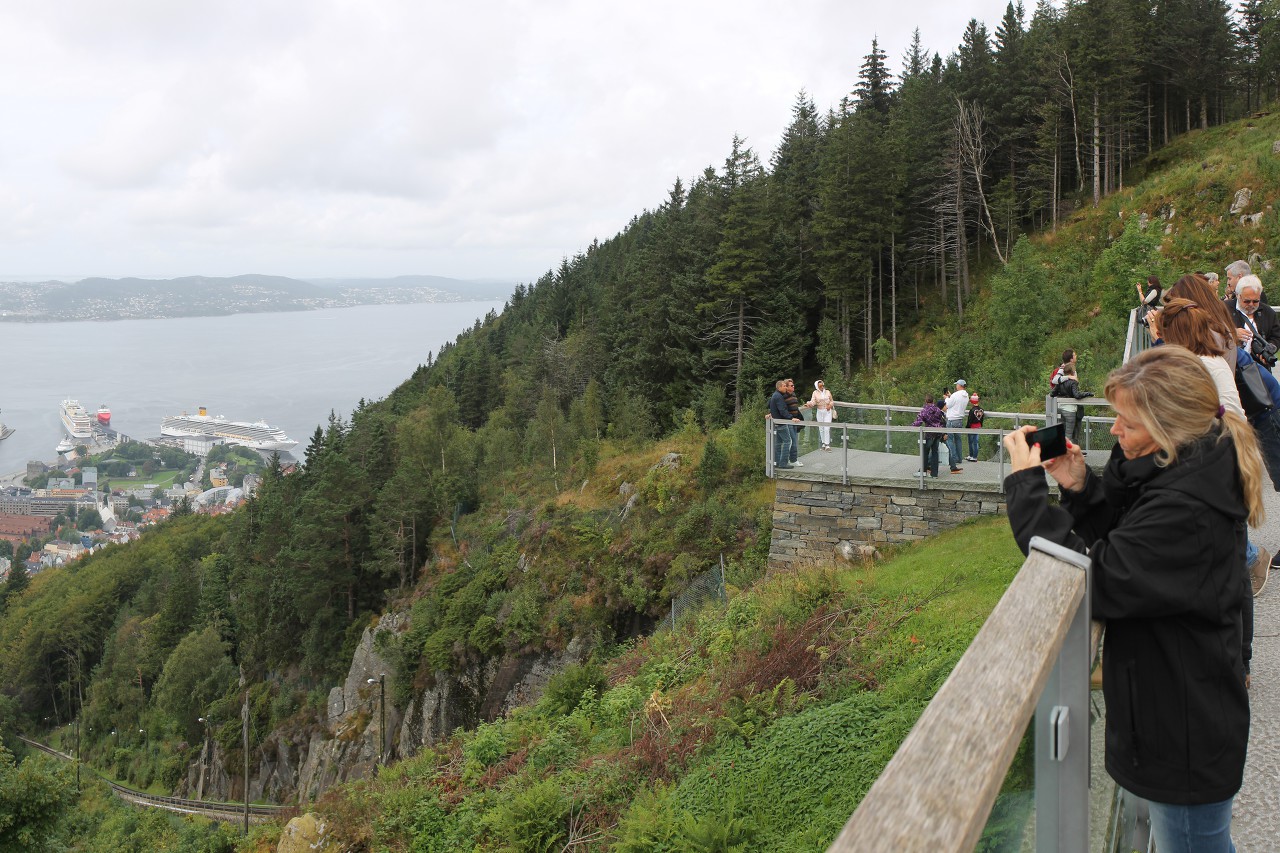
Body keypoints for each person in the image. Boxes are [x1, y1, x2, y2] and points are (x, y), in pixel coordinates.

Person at [1004, 345, 1260, 852]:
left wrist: (1024, 487)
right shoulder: (1190, 468)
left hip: (1184, 728)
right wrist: (1080, 487)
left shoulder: (1186, 509)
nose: (1115, 432)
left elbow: (1089, 578)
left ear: (1168, 430)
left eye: (1128, 423)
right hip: (1183, 708)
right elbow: (1130, 549)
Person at [1230, 276, 1280, 368]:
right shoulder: (1223, 309)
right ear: (1238, 295)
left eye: (1256, 301)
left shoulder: (1268, 312)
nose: (1251, 305)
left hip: (1259, 369)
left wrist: (1268, 349)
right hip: (1232, 368)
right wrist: (1231, 333)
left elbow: (1276, 336)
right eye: (1247, 301)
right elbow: (1210, 331)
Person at [1053, 364, 1091, 445]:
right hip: (1070, 410)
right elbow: (1076, 395)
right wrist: (1087, 394)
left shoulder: (1060, 382)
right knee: (1069, 434)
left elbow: (1052, 393)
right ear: (1072, 372)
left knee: (1061, 432)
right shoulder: (1073, 382)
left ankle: (1060, 452)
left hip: (1060, 409)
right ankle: (1069, 454)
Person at [767, 380, 799, 469]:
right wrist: (791, 418)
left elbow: (769, 404)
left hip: (776, 422)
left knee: (778, 443)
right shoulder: (778, 396)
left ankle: (777, 462)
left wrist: (771, 413)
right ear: (779, 387)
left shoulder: (775, 395)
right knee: (788, 441)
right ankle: (783, 463)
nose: (786, 387)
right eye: (784, 386)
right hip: (781, 423)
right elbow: (782, 410)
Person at [912, 393, 946, 477]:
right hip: (938, 433)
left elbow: (919, 422)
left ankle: (923, 472)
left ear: (925, 401)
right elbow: (942, 421)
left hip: (929, 434)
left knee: (925, 452)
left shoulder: (924, 411)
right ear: (933, 400)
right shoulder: (938, 410)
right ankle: (934, 474)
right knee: (935, 452)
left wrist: (910, 426)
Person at [943, 379, 968, 473]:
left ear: (959, 385)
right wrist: (950, 396)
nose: (956, 386)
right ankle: (959, 458)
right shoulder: (966, 395)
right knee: (958, 439)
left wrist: (946, 398)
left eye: (957, 384)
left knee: (950, 440)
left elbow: (948, 404)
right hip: (959, 419)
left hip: (952, 419)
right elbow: (956, 402)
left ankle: (952, 459)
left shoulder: (955, 394)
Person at [803, 379, 836, 451]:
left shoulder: (827, 392)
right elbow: (813, 401)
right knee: (821, 428)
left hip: (827, 411)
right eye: (820, 386)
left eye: (822, 385)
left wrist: (830, 405)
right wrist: (809, 404)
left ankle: (827, 444)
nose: (822, 387)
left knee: (827, 427)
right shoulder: (815, 393)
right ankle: (823, 443)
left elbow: (832, 400)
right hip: (820, 411)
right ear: (817, 386)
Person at [783, 379, 804, 466]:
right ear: (787, 387)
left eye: (793, 385)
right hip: (789, 421)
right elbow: (781, 408)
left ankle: (792, 459)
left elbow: (795, 406)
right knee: (792, 441)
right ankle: (791, 460)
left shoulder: (794, 394)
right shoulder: (783, 396)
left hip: (795, 421)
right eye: (791, 386)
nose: (793, 387)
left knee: (795, 441)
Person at [964, 393, 984, 462]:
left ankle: (972, 455)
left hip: (972, 427)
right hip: (978, 426)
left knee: (970, 442)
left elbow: (970, 420)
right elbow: (981, 419)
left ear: (972, 402)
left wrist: (967, 427)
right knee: (976, 442)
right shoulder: (981, 410)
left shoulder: (972, 410)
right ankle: (975, 456)